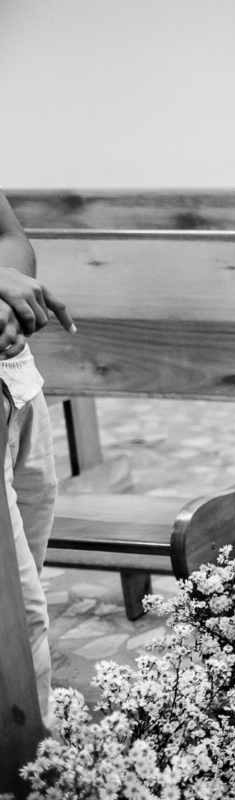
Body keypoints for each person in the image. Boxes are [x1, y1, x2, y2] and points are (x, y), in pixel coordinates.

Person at [0, 188, 75, 736]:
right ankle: (33, 763)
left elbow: (8, 234)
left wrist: (6, 300)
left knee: (25, 589)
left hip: (18, 386)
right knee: (19, 617)